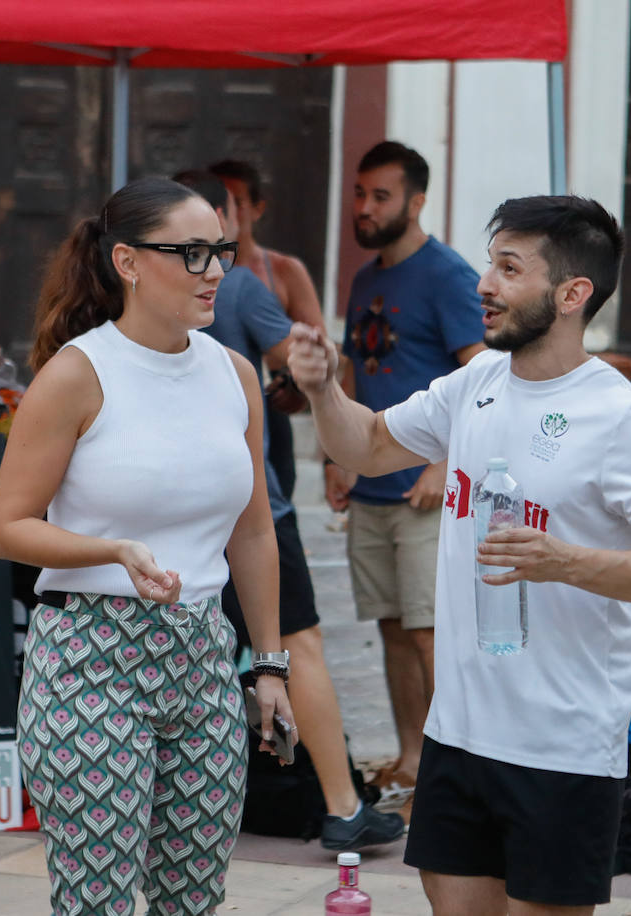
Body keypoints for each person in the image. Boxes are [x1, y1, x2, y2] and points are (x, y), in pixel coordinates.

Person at [288, 195, 631, 915]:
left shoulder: (621, 418)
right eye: (490, 263)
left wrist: (566, 561)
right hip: (456, 736)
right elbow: (362, 448)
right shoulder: (475, 385)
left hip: (564, 748)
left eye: (509, 268)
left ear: (572, 294)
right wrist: (322, 387)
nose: (484, 283)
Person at [0, 177, 297, 916]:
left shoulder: (234, 375)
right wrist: (112, 551)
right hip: (90, 661)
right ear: (127, 261)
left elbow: (254, 530)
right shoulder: (76, 374)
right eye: (191, 253)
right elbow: (7, 528)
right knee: (98, 903)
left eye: (219, 250)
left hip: (200, 660)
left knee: (191, 900)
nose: (216, 269)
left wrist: (270, 664)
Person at [173, 170, 404, 851]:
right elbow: (298, 364)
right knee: (296, 646)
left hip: (175, 516)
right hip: (251, 511)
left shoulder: (129, 300)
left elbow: (293, 371)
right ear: (218, 216)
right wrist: (303, 376)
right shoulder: (238, 285)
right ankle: (340, 806)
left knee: (197, 654)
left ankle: (183, 809)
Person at [334, 141, 485, 805]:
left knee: (431, 632)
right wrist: (337, 458)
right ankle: (412, 758)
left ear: (416, 201)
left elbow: (483, 375)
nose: (365, 208)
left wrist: (444, 461)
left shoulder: (448, 275)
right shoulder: (366, 280)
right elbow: (350, 369)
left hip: (427, 491)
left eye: (381, 196)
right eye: (360, 194)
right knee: (392, 628)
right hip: (370, 486)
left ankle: (456, 777)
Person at [208, 158, 326, 503]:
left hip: (269, 410)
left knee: (273, 506)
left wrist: (291, 383)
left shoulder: (282, 270)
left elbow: (317, 347)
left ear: (256, 209)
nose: (224, 210)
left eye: (235, 201)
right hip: (218, 411)